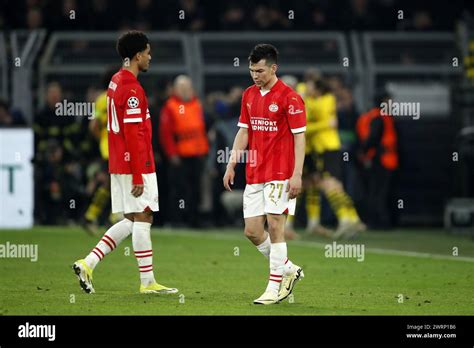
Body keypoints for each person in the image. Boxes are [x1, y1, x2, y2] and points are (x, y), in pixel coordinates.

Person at [73, 30, 178, 295]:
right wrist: (139, 174)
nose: (150, 57)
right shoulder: (132, 89)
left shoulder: (115, 81)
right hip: (135, 164)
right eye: (148, 52)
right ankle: (147, 283)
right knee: (144, 216)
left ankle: (88, 262)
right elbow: (133, 134)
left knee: (132, 220)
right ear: (138, 55)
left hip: (118, 162)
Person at [223, 44, 305, 305]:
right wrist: (231, 163)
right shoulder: (249, 95)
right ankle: (288, 268)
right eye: (251, 70)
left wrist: (297, 174)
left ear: (273, 68)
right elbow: (244, 131)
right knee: (252, 231)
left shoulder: (290, 98)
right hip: (255, 172)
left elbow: (300, 138)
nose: (255, 75)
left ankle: (275, 287)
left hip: (280, 172)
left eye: (259, 70)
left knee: (276, 226)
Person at [302, 78, 365, 239]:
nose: (306, 87)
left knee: (331, 184)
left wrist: (305, 103)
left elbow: (309, 125)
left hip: (328, 148)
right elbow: (322, 122)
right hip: (319, 149)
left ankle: (348, 218)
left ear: (317, 88)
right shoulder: (314, 100)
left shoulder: (326, 100)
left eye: (309, 85)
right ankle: (351, 219)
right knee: (326, 184)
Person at [159, 75, 209, 227]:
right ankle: (177, 219)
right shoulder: (170, 106)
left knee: (195, 189)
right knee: (179, 189)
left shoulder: (197, 104)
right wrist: (172, 154)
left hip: (197, 154)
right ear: (175, 90)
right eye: (182, 88)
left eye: (187, 87)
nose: (185, 91)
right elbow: (165, 134)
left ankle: (193, 218)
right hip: (180, 156)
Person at [356, 93, 399, 229]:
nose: (391, 103)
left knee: (377, 191)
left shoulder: (375, 116)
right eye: (388, 101)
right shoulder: (379, 117)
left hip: (380, 158)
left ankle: (378, 221)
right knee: (378, 192)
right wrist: (364, 152)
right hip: (381, 159)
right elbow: (373, 138)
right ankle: (379, 222)